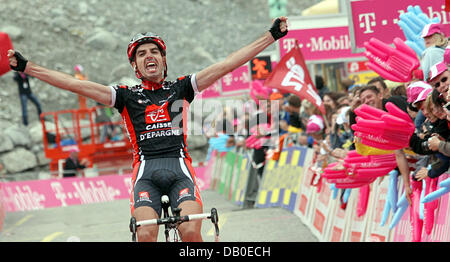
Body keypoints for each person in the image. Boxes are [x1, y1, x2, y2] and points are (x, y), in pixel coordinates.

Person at [8, 17, 288, 242]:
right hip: (146, 174)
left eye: (155, 51)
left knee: (191, 231)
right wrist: (27, 67)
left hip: (180, 170)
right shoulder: (126, 96)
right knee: (145, 234)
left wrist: (271, 36)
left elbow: (227, 64)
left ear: (163, 61)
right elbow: (75, 85)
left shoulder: (181, 88)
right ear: (135, 66)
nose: (149, 56)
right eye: (142, 54)